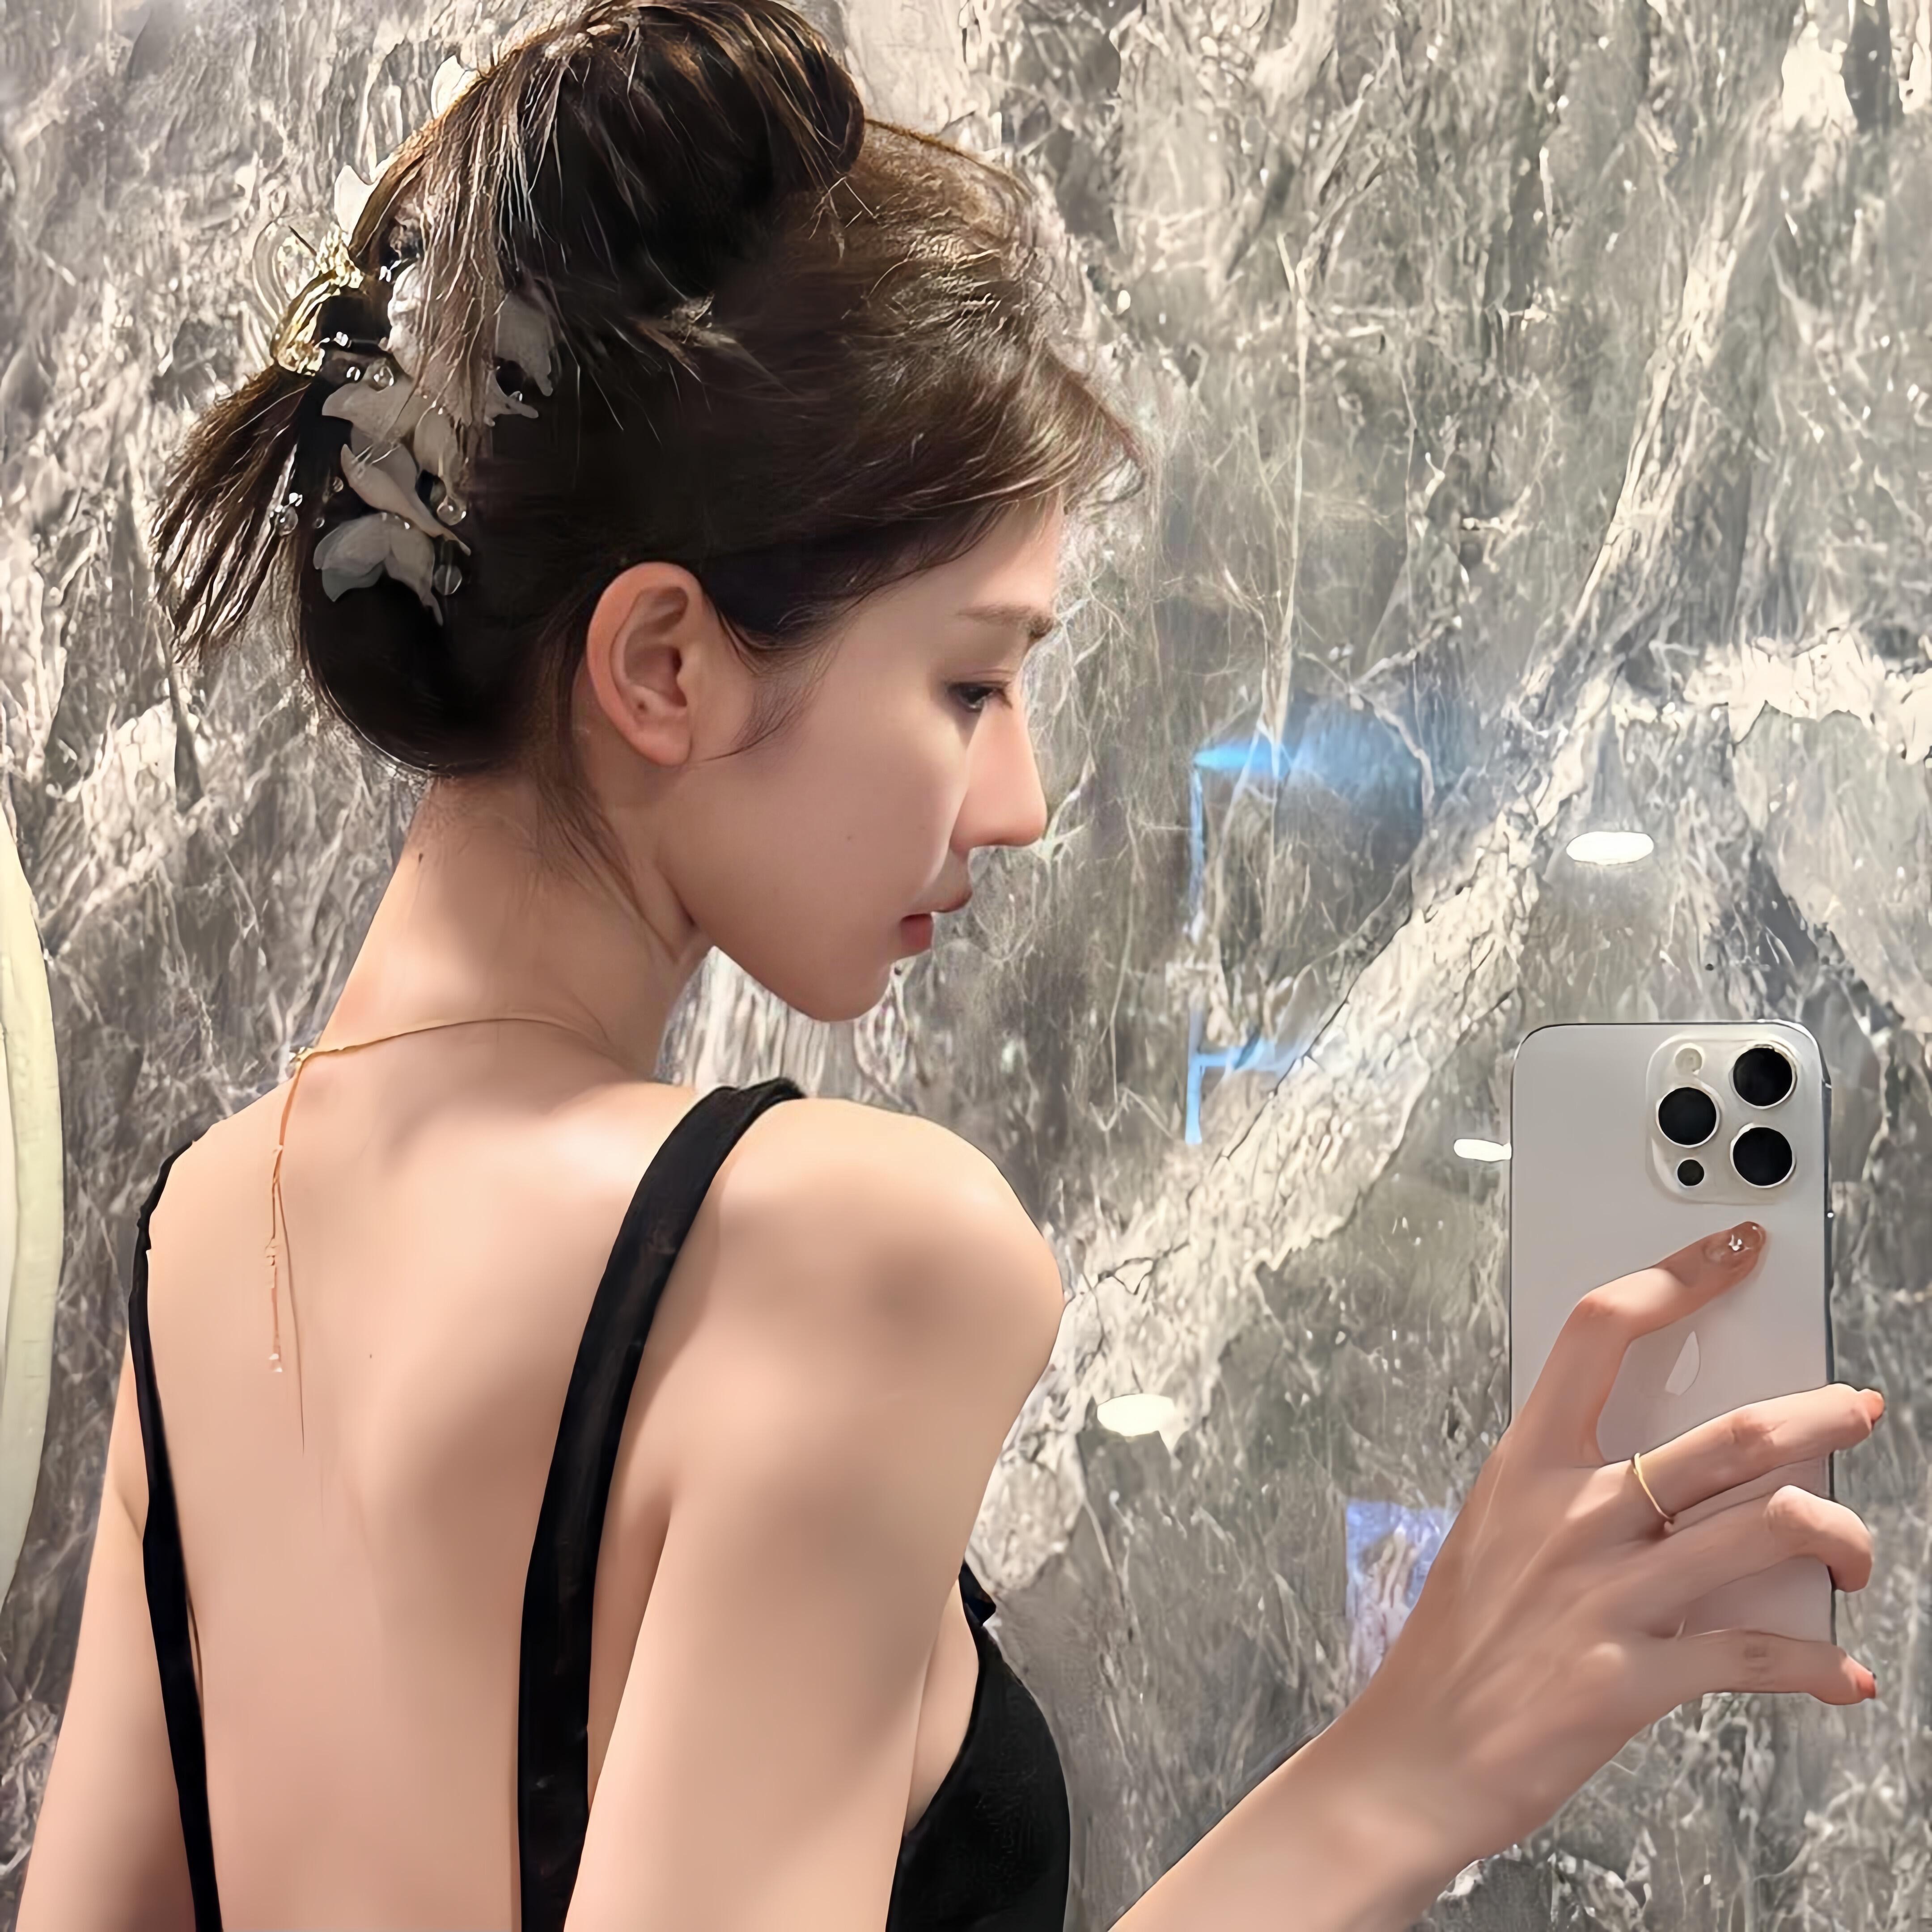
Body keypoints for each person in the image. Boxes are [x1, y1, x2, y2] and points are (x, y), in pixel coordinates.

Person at [18, 4, 1883, 1928]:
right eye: (972, 683)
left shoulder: (203, 1240)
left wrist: (1421, 1751)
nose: (1023, 799)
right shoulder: (837, 1249)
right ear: (664, 665)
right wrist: (1396, 1780)